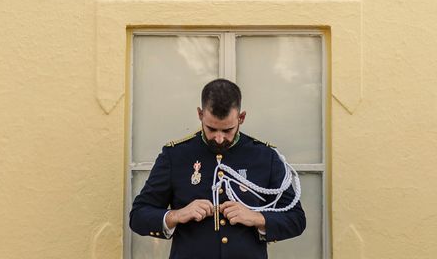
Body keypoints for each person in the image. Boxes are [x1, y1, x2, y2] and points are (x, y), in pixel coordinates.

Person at [129, 78, 306, 259]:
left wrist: (256, 218)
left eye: (228, 130)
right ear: (200, 114)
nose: (219, 138)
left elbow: (296, 219)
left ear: (241, 118)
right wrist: (176, 215)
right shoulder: (175, 155)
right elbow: (138, 216)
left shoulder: (265, 156)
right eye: (212, 129)